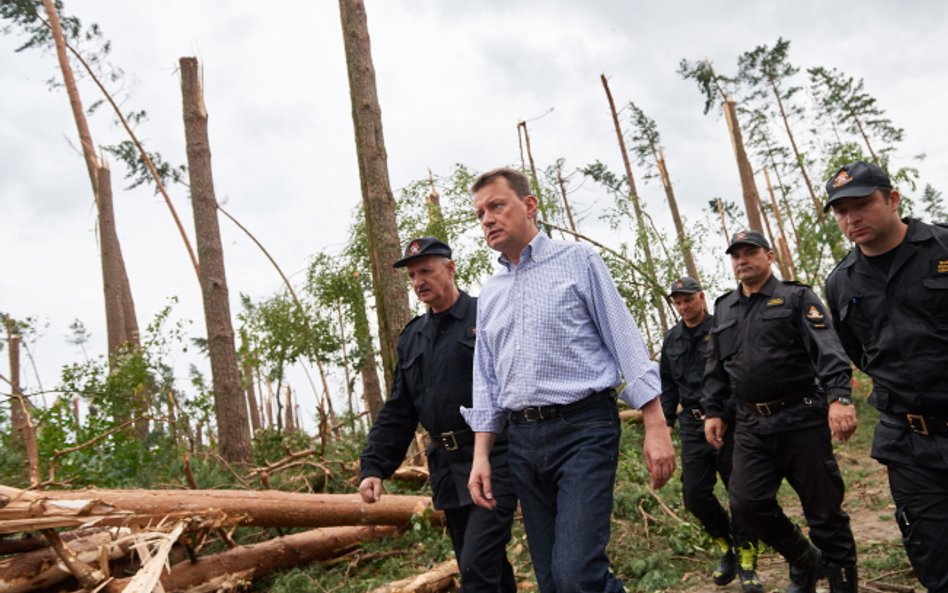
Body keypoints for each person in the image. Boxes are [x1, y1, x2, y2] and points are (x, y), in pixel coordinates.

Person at [460, 167, 676, 593]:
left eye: (497, 206)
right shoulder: (490, 292)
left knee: (577, 574)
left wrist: (655, 423)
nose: (486, 219)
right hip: (522, 440)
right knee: (553, 581)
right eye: (480, 212)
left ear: (529, 204)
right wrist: (481, 455)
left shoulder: (577, 261)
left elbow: (624, 339)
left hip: (583, 429)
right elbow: (485, 379)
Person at [701, 229, 859, 593]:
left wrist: (839, 397)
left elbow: (828, 349)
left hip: (801, 418)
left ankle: (843, 585)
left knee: (824, 513)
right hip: (752, 424)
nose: (742, 260)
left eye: (750, 252)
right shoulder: (725, 307)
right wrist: (713, 410)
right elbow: (715, 367)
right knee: (746, 503)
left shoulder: (796, 296)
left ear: (769, 257)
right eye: (736, 254)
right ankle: (805, 561)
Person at [359, 237, 517, 593]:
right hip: (446, 467)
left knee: (477, 567)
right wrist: (374, 466)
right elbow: (400, 408)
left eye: (426, 271)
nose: (418, 282)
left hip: (493, 459)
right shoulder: (413, 337)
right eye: (413, 275)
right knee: (479, 564)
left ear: (450, 268)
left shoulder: (486, 314)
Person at [823, 160, 948, 593]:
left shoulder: (942, 247)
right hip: (910, 443)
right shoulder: (840, 282)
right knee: (933, 556)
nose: (850, 218)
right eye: (840, 211)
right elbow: (855, 351)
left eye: (862, 204)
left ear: (892, 199)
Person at [660, 276, 761, 593]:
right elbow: (667, 387)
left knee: (739, 492)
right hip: (691, 426)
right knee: (694, 494)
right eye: (677, 301)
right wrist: (665, 425)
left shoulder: (723, 330)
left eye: (688, 299)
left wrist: (725, 413)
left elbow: (739, 375)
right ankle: (725, 543)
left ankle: (747, 556)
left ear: (701, 297)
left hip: (729, 424)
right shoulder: (672, 340)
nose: (683, 306)